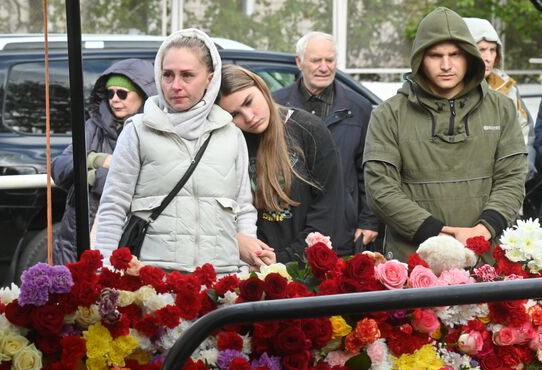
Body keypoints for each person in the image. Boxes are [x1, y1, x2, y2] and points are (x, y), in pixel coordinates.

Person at [94, 29, 269, 274]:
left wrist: (241, 273)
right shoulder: (137, 131)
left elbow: (243, 209)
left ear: (210, 78)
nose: (175, 85)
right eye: (167, 75)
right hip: (152, 283)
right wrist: (105, 272)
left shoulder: (231, 134)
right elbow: (113, 207)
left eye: (187, 75)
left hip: (221, 283)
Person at [363, 7, 527, 261]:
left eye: (455, 54)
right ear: (420, 59)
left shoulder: (502, 109)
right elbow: (381, 189)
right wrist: (440, 234)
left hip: (486, 256)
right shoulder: (388, 114)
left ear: (469, 56)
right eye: (435, 55)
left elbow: (512, 177)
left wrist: (482, 231)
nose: (446, 65)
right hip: (415, 260)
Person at [217, 64, 344, 264]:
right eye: (234, 115)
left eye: (249, 102)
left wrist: (284, 260)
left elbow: (328, 210)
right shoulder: (227, 144)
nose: (249, 117)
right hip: (246, 267)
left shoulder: (308, 129)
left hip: (303, 268)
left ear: (261, 86)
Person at [273, 31, 378, 256]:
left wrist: (369, 221)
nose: (324, 67)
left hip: (343, 230)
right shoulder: (275, 106)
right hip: (290, 228)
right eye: (316, 60)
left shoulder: (359, 108)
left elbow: (369, 170)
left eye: (329, 60)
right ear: (299, 62)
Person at [51, 59, 156, 264]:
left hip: (128, 242)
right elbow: (58, 167)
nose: (115, 99)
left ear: (143, 95)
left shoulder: (153, 132)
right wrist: (95, 159)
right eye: (110, 93)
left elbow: (144, 183)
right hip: (76, 238)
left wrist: (92, 176)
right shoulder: (93, 126)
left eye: (122, 93)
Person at [463, 17, 536, 181]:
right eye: (481, 49)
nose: (488, 57)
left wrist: (520, 174)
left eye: (493, 50)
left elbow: (526, 135)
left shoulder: (508, 88)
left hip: (508, 190)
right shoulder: (448, 90)